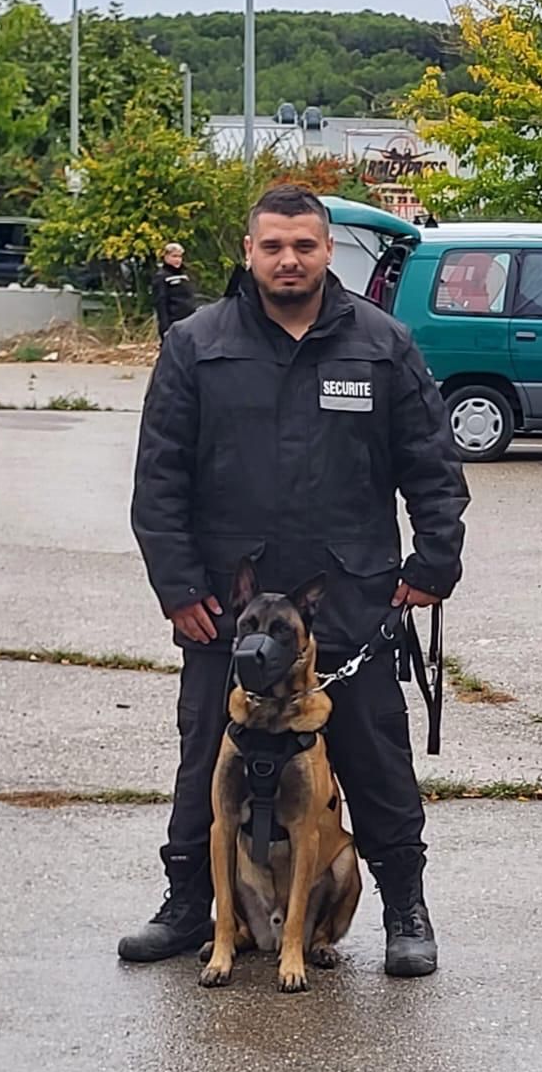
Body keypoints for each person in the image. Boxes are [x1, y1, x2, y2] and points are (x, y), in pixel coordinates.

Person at [121, 184, 468, 978]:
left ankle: (404, 909)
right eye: (273, 245)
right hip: (226, 609)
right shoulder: (196, 345)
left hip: (353, 603)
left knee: (377, 760)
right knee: (205, 756)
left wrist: (434, 562)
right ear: (248, 252)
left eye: (304, 245)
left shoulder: (382, 346)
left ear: (326, 251)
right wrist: (177, 586)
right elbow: (159, 480)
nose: (288, 259)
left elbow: (432, 468)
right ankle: (186, 906)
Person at [151, 243, 198, 339]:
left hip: (190, 322)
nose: (178, 260)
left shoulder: (186, 275)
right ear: (166, 257)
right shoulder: (161, 277)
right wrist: (165, 328)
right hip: (174, 323)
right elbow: (161, 303)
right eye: (174, 256)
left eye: (180, 256)